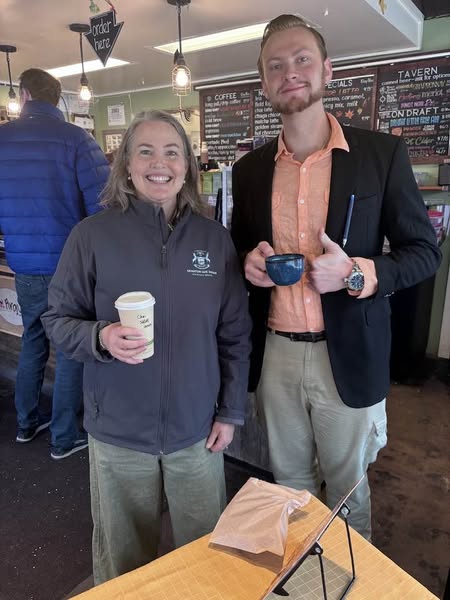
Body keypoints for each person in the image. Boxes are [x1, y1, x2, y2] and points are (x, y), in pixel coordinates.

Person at [231, 15, 441, 540]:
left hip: (349, 352)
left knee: (347, 490)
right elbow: (238, 248)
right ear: (264, 82)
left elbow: (424, 252)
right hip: (275, 353)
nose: (290, 73)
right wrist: (246, 263)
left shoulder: (380, 155)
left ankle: (351, 586)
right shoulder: (249, 170)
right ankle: (305, 583)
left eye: (302, 59)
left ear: (327, 69)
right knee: (291, 487)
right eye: (275, 66)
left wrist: (359, 274)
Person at [42, 110, 251, 583]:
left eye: (172, 151)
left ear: (188, 167)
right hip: (117, 432)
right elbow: (57, 320)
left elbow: (234, 334)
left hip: (196, 431)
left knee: (205, 559)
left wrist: (230, 411)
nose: (160, 163)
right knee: (122, 564)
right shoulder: (91, 236)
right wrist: (101, 336)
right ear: (126, 166)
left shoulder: (214, 241)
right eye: (146, 151)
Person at [0, 68, 110, 459]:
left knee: (32, 339)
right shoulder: (77, 139)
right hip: (70, 266)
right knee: (69, 349)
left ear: (24, 94)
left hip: (24, 265)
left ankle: (27, 424)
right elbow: (104, 205)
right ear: (57, 97)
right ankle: (64, 437)